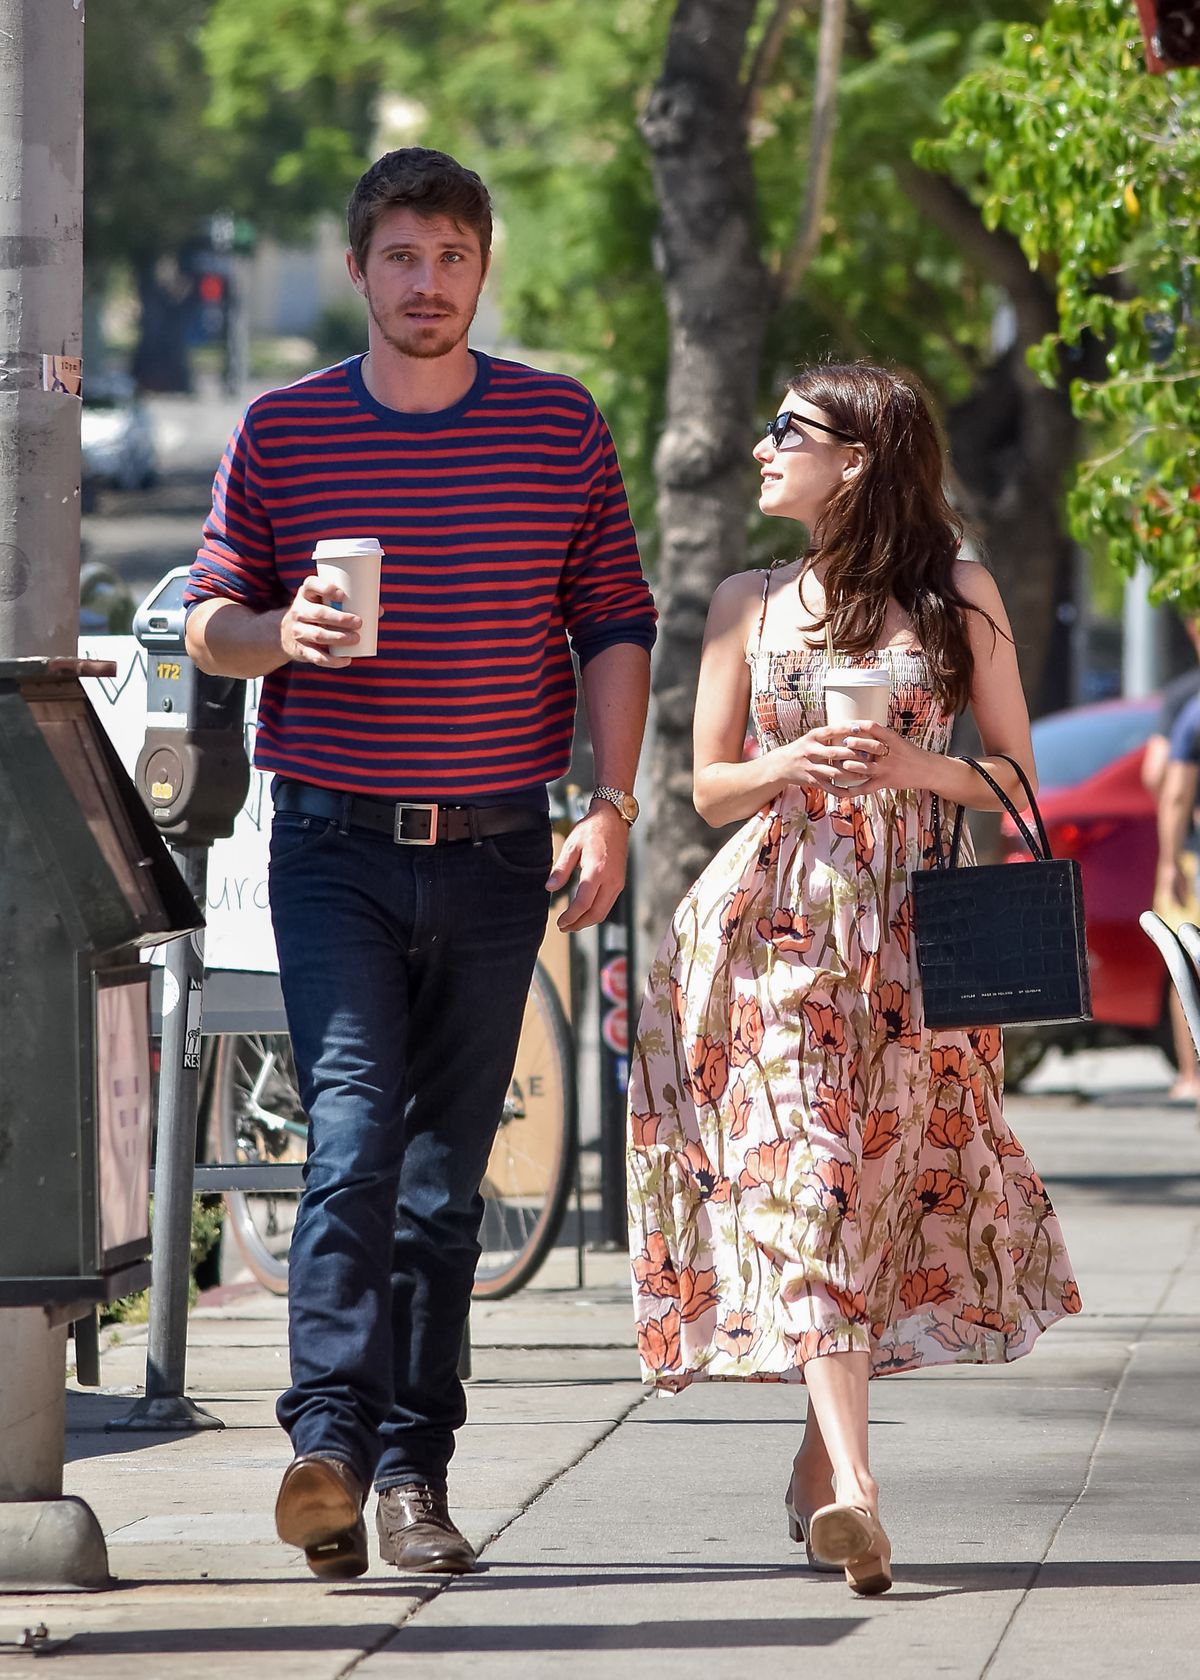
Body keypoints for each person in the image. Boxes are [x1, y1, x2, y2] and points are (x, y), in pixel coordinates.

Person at [185, 147, 655, 1580]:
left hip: (506, 846)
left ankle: (409, 1475)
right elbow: (208, 618)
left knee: (446, 1179)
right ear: (359, 270)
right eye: (403, 257)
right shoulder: (281, 430)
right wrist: (281, 638)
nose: (429, 284)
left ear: (483, 268)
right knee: (349, 1136)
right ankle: (324, 1441)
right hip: (332, 839)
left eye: (453, 257)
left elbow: (615, 621)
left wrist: (613, 806)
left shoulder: (557, 424)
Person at [626, 363, 1080, 1596]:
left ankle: (818, 1461)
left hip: (915, 941)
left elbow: (1014, 783)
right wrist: (791, 759)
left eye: (792, 432)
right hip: (771, 937)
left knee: (872, 1199)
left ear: (860, 461)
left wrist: (908, 766)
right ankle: (866, 1502)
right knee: (810, 1181)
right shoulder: (745, 600)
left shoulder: (958, 594)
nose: (765, 450)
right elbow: (702, 784)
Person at [1144, 620, 1200, 1101]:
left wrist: (1168, 860)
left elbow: (1165, 782)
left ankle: (1191, 1075)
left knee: (1185, 964)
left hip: (1193, 859)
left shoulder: (1189, 702)